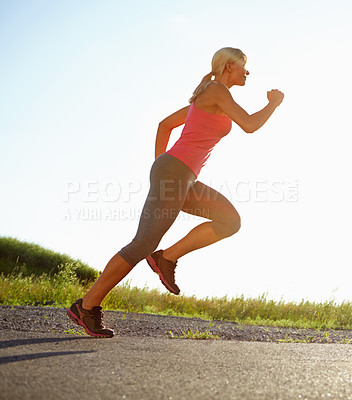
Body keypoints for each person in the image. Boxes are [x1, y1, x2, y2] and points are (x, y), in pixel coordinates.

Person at [67, 47, 284, 337]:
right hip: (175, 172)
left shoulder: (207, 95)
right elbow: (250, 125)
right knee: (142, 243)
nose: (248, 72)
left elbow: (165, 125)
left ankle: (166, 258)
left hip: (182, 177)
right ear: (229, 65)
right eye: (244, 67)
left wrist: (161, 164)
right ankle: (86, 307)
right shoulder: (217, 90)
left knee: (229, 221)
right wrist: (273, 104)